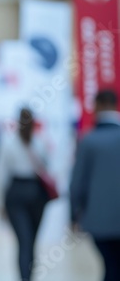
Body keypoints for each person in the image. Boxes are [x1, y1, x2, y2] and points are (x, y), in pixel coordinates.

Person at [70, 89, 120, 281]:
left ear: (98, 106)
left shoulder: (88, 141)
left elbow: (77, 183)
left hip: (99, 221)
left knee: (111, 266)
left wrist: (74, 215)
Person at [0, 107, 49, 281]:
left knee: (24, 241)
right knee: (31, 241)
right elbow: (47, 167)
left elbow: (1, 174)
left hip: (16, 193)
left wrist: (0, 202)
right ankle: (28, 277)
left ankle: (25, 277)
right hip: (37, 194)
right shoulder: (40, 142)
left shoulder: (8, 143)